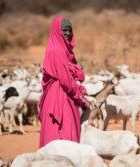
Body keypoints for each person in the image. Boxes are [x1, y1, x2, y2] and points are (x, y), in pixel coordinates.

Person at [38, 16, 90, 148]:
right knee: (62, 136)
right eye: (64, 30)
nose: (68, 33)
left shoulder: (63, 50)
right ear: (56, 31)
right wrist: (80, 95)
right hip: (59, 98)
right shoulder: (57, 51)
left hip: (64, 95)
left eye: (70, 30)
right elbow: (65, 79)